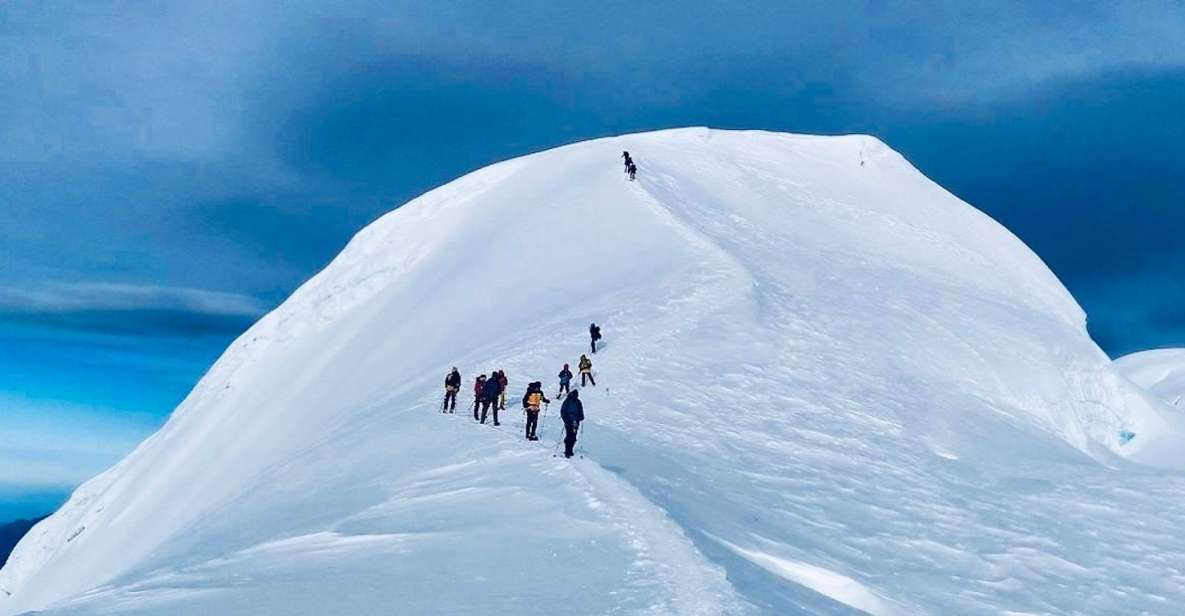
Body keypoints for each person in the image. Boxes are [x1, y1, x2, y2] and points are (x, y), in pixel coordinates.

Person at [560, 389, 584, 458]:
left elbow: (580, 410)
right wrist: (565, 420)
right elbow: (563, 411)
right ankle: (567, 451)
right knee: (569, 436)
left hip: (576, 422)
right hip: (569, 421)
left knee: (573, 436)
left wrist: (581, 416)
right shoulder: (567, 401)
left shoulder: (578, 402)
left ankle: (570, 449)